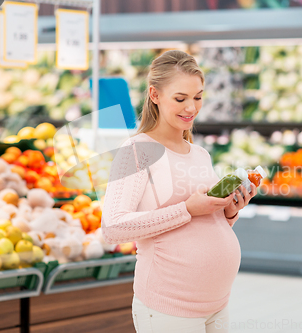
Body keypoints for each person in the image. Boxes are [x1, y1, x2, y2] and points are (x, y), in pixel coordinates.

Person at [101, 50, 257, 333]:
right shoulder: (137, 150)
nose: (191, 108)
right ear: (155, 95)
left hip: (216, 304)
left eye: (197, 97)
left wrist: (230, 211)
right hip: (169, 308)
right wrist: (186, 209)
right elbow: (112, 227)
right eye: (180, 98)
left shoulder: (200, 153)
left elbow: (206, 223)